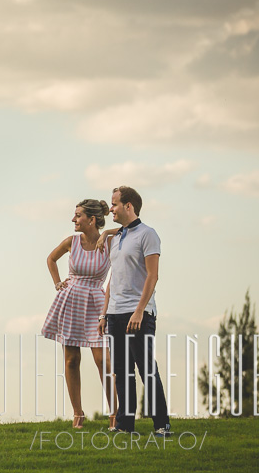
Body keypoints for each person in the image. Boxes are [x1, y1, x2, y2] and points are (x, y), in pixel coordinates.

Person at [98, 185, 173, 436]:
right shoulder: (116, 238)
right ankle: (124, 425)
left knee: (146, 369)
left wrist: (140, 311)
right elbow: (112, 280)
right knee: (121, 372)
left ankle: (161, 424)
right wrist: (103, 314)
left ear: (128, 206)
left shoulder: (148, 234)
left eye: (115, 204)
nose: (111, 208)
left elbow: (153, 276)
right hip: (115, 314)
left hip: (139, 313)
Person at [41, 199, 116, 429]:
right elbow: (51, 259)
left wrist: (108, 233)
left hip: (96, 301)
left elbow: (129, 229)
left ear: (91, 220)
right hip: (71, 299)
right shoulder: (71, 242)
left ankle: (115, 413)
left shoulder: (111, 242)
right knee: (72, 360)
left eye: (78, 215)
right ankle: (78, 414)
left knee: (103, 361)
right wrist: (57, 283)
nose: (73, 219)